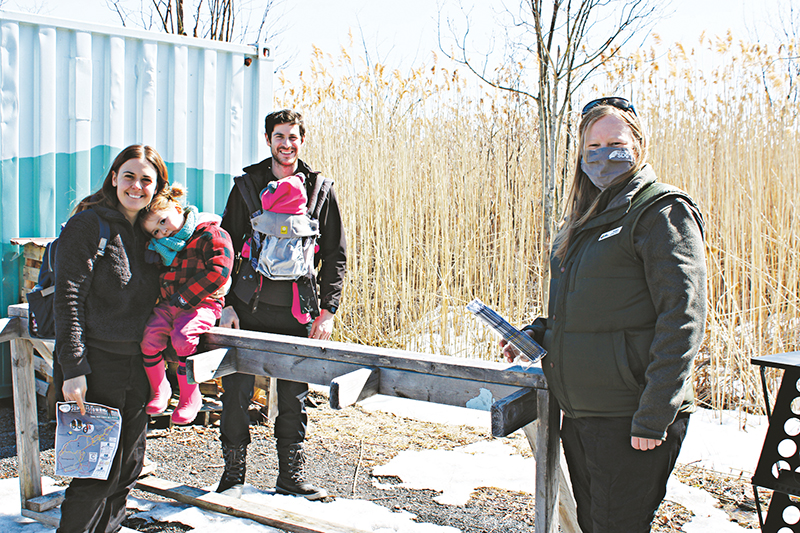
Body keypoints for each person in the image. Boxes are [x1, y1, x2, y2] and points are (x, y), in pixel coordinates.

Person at [502, 97, 707, 532]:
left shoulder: (660, 212)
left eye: (615, 142)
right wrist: (538, 333)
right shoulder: (586, 216)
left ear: (639, 144)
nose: (602, 155)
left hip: (628, 417)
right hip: (581, 414)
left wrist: (653, 416)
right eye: (592, 146)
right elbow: (588, 308)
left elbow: (683, 318)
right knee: (594, 524)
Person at [215, 109, 347, 500]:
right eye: (279, 136)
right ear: (268, 140)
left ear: (301, 140)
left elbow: (336, 256)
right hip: (247, 307)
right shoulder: (247, 186)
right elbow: (222, 246)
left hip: (297, 311)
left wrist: (328, 311)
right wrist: (225, 304)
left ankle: (290, 477)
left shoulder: (321, 190)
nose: (285, 144)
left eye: (292, 137)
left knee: (293, 395)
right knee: (234, 391)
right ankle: (232, 474)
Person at [54, 145, 169, 533]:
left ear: (158, 187)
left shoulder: (151, 233)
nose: (136, 186)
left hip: (136, 366)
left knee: (126, 471)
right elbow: (67, 298)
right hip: (95, 366)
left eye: (146, 180)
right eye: (129, 176)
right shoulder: (89, 226)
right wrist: (73, 369)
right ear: (115, 177)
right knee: (94, 476)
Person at [138, 183, 234, 425]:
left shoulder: (210, 234)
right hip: (172, 303)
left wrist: (184, 297)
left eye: (162, 221)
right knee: (148, 336)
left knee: (183, 337)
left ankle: (190, 396)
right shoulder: (165, 247)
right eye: (155, 232)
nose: (162, 232)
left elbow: (220, 270)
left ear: (177, 208)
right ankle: (161, 390)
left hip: (201, 303)